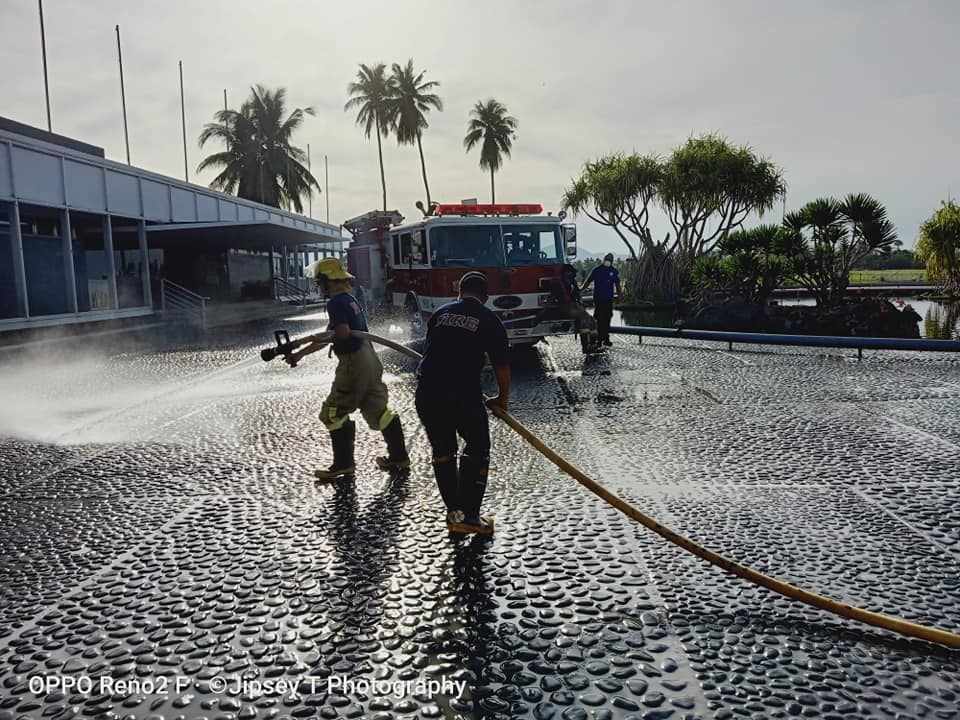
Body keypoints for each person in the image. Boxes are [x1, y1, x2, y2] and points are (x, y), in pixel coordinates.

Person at [287, 257, 409, 480]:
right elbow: (329, 334)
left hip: (353, 363)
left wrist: (309, 344)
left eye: (321, 281)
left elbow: (340, 333)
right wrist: (299, 354)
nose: (320, 285)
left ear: (328, 281)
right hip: (369, 359)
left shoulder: (335, 303)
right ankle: (399, 457)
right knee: (377, 410)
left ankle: (343, 464)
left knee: (333, 412)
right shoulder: (349, 299)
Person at [415, 271, 511, 535]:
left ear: (459, 292)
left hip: (427, 392)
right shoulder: (489, 319)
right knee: (477, 449)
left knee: (443, 451)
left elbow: (434, 351)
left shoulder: (440, 313)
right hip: (462, 393)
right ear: (486, 297)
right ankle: (469, 518)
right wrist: (502, 399)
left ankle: (455, 516)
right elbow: (502, 365)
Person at [581, 253, 621, 346]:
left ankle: (606, 338)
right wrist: (581, 289)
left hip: (608, 299)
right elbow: (588, 281)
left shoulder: (613, 271)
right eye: (607, 259)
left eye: (610, 260)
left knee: (607, 318)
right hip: (598, 298)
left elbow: (618, 284)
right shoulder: (597, 270)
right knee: (599, 318)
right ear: (604, 259)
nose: (608, 261)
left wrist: (619, 296)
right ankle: (598, 339)